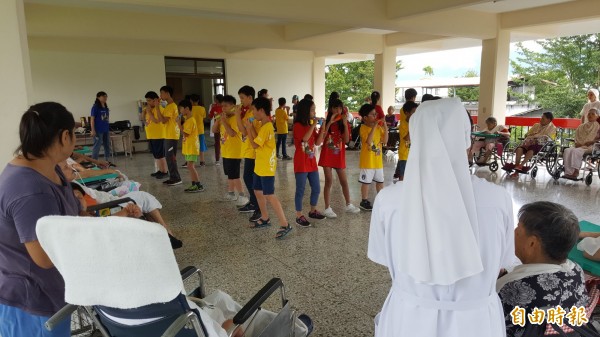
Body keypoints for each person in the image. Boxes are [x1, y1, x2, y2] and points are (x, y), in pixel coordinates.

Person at [368, 98, 515, 337]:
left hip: (409, 320)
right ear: (467, 139)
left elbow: (384, 256)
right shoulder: (498, 199)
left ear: (415, 138)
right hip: (476, 323)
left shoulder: (388, 200)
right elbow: (502, 262)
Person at [0, 102, 83, 337]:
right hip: (31, 303)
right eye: (74, 134)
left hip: (51, 292)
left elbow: (66, 210)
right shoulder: (29, 189)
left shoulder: (48, 169)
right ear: (65, 136)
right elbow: (44, 258)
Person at [497, 202, 588, 337]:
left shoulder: (512, 289)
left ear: (532, 243)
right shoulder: (577, 271)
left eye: (518, 229)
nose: (513, 232)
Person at [243, 97, 292, 239]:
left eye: (254, 110)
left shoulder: (267, 126)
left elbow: (254, 144)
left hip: (267, 166)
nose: (252, 114)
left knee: (269, 194)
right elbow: (257, 139)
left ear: (261, 110)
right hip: (260, 164)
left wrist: (249, 128)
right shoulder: (262, 125)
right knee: (257, 190)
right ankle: (265, 218)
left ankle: (285, 224)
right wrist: (250, 127)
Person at [317, 98, 361, 218]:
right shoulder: (327, 122)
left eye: (340, 108)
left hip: (338, 155)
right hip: (327, 155)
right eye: (335, 108)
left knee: (344, 181)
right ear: (331, 109)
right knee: (329, 181)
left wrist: (346, 124)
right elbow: (321, 139)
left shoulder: (343, 123)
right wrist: (329, 122)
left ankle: (348, 204)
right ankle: (327, 207)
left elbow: (346, 140)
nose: (338, 110)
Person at [293, 98, 325, 227]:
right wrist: (313, 125)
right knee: (300, 190)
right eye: (312, 110)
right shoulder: (298, 126)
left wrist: (322, 127)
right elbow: (304, 140)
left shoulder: (309, 126)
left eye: (314, 110)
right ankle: (299, 215)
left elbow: (317, 143)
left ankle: (313, 210)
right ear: (306, 111)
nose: (314, 112)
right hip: (301, 163)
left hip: (311, 162)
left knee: (316, 188)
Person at [212, 95, 246, 206]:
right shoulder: (224, 118)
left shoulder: (235, 119)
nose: (223, 108)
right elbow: (214, 130)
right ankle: (231, 193)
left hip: (234, 152)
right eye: (222, 106)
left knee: (235, 175)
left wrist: (224, 121)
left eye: (226, 106)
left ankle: (242, 195)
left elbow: (232, 133)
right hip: (226, 151)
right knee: (229, 174)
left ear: (233, 106)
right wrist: (218, 122)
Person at [505, 112, 556, 176]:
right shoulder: (536, 125)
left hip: (540, 144)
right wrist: (531, 136)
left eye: (543, 118)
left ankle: (521, 165)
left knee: (531, 149)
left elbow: (549, 138)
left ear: (548, 120)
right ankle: (516, 166)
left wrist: (536, 137)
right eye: (541, 117)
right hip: (528, 142)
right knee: (519, 149)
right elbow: (527, 134)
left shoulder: (552, 128)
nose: (541, 119)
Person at [358, 104, 387, 211]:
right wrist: (375, 126)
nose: (375, 116)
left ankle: (381, 200)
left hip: (378, 162)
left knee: (380, 182)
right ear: (365, 118)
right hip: (368, 162)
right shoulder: (363, 128)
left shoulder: (379, 128)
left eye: (376, 114)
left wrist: (385, 127)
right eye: (373, 114)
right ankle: (364, 201)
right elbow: (369, 141)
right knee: (366, 183)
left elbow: (385, 141)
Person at [236, 85, 259, 216]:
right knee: (249, 177)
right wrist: (238, 115)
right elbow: (242, 130)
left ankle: (255, 202)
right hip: (247, 149)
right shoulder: (249, 113)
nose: (241, 101)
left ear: (250, 97)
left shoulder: (254, 114)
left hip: (253, 150)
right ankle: (253, 201)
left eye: (243, 98)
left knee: (249, 177)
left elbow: (248, 132)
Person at [562, 109, 600, 179]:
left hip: (592, 146)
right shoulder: (582, 126)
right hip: (579, 145)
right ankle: (568, 172)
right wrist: (577, 143)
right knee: (567, 150)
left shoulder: (598, 126)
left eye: (593, 114)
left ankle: (576, 171)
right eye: (589, 114)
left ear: (597, 116)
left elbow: (598, 139)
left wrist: (592, 141)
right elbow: (576, 137)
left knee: (576, 151)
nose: (590, 115)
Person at [158, 85, 182, 186]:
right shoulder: (168, 106)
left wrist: (156, 107)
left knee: (171, 157)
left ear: (167, 93)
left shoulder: (171, 106)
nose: (161, 95)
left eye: (162, 93)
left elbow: (163, 120)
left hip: (172, 135)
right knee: (169, 157)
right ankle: (173, 177)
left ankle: (176, 178)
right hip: (169, 135)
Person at [179, 100, 204, 193]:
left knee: (190, 166)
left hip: (192, 147)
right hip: (189, 147)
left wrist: (178, 124)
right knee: (190, 166)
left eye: (181, 109)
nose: (180, 111)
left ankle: (198, 185)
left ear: (187, 109)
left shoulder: (190, 120)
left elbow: (185, 134)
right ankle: (194, 184)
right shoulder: (187, 120)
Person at [142, 91, 168, 179]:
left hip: (159, 135)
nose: (148, 102)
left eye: (149, 100)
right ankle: (160, 170)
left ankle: (164, 171)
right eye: (147, 101)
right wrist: (144, 111)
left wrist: (149, 112)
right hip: (151, 135)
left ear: (155, 100)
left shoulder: (159, 108)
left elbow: (157, 121)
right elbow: (143, 119)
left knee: (161, 155)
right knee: (156, 155)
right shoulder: (149, 109)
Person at [394, 89, 417, 181]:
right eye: (413, 113)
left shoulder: (404, 109)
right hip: (404, 152)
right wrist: (413, 126)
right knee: (403, 175)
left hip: (412, 152)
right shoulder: (404, 123)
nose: (415, 115)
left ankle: (398, 173)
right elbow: (406, 137)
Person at [91, 91, 111, 161]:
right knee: (97, 146)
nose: (105, 98)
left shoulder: (106, 107)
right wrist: (93, 130)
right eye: (103, 96)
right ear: (98, 97)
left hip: (106, 129)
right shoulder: (95, 107)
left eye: (106, 96)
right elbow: (92, 119)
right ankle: (94, 161)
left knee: (107, 145)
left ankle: (107, 160)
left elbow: (106, 120)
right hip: (98, 130)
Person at [190, 94, 207, 166]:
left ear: (190, 101)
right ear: (198, 100)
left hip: (191, 130)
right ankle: (202, 161)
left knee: (191, 145)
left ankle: (190, 161)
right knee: (201, 146)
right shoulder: (202, 109)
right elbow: (204, 118)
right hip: (200, 130)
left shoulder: (189, 109)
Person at [209, 94, 224, 165]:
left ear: (217, 100)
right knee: (223, 142)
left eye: (215, 99)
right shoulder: (225, 107)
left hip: (218, 127)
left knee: (217, 143)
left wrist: (212, 108)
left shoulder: (214, 107)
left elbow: (210, 116)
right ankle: (224, 157)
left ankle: (217, 160)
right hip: (224, 127)